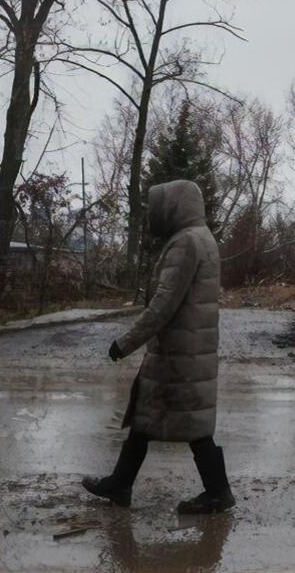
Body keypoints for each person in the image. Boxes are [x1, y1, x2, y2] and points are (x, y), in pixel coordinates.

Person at [82, 179, 234, 514]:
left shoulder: (186, 243)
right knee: (146, 421)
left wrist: (125, 343)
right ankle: (120, 484)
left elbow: (164, 303)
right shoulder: (202, 237)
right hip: (186, 350)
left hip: (179, 354)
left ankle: (218, 493)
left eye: (160, 205)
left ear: (176, 206)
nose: (156, 213)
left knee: (190, 428)